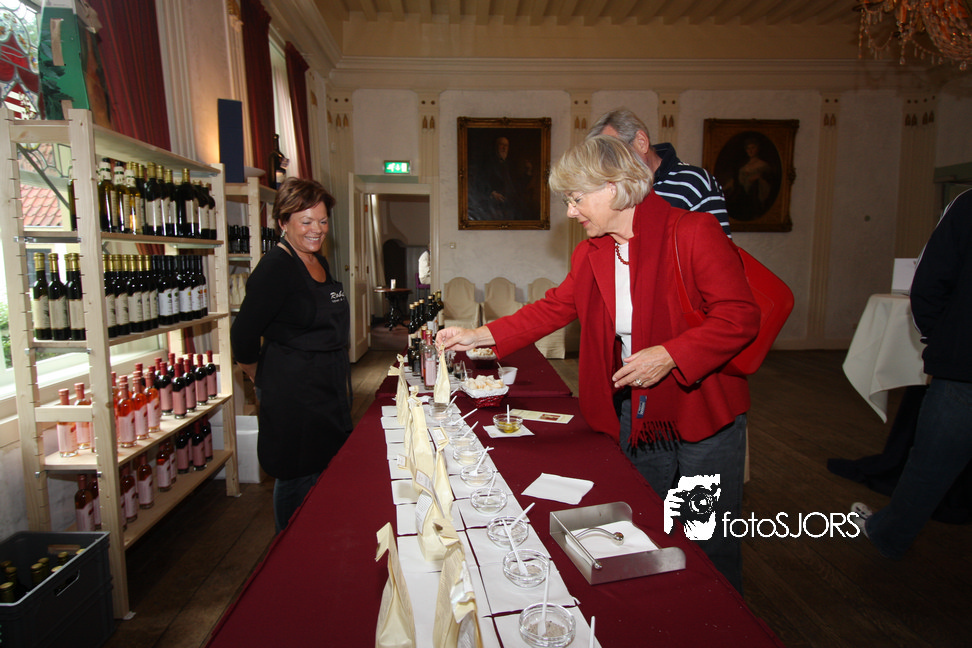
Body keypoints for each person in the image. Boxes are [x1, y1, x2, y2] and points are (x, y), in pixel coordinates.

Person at [437, 136, 759, 591]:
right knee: (640, 517)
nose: (571, 212)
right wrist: (477, 335)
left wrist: (671, 354)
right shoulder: (593, 252)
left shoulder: (692, 231)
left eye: (576, 198)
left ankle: (719, 616)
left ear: (612, 187)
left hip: (704, 409)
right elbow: (552, 308)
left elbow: (739, 316)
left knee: (706, 534)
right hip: (640, 409)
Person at [852, 188, 972, 558]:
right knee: (932, 461)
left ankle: (889, 535)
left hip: (964, 366)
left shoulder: (967, 205)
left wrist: (944, 341)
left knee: (932, 463)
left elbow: (929, 282)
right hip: (962, 364)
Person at [231, 177, 352, 533]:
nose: (317, 229)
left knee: (324, 468)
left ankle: (316, 534)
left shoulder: (318, 261)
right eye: (306, 221)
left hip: (326, 387)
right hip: (294, 394)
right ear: (283, 222)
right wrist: (260, 376)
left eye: (323, 221)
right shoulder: (275, 268)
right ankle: (288, 544)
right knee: (296, 474)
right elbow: (242, 335)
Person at [588, 108, 732, 237]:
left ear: (641, 142)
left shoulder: (694, 182)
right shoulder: (612, 189)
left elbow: (719, 251)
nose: (610, 166)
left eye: (614, 154)